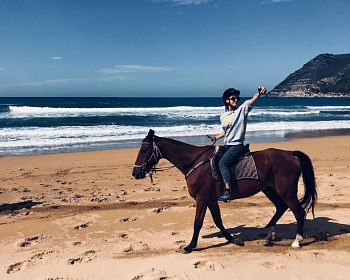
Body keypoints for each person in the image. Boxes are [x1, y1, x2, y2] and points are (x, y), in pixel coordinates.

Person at [211, 86, 267, 202]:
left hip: (237, 145)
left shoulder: (242, 110)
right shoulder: (223, 116)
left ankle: (228, 192)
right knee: (213, 159)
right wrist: (216, 137)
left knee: (223, 164)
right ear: (227, 100)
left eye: (237, 98)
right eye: (233, 98)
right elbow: (226, 131)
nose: (236, 100)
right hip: (227, 145)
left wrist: (259, 93)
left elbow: (251, 101)